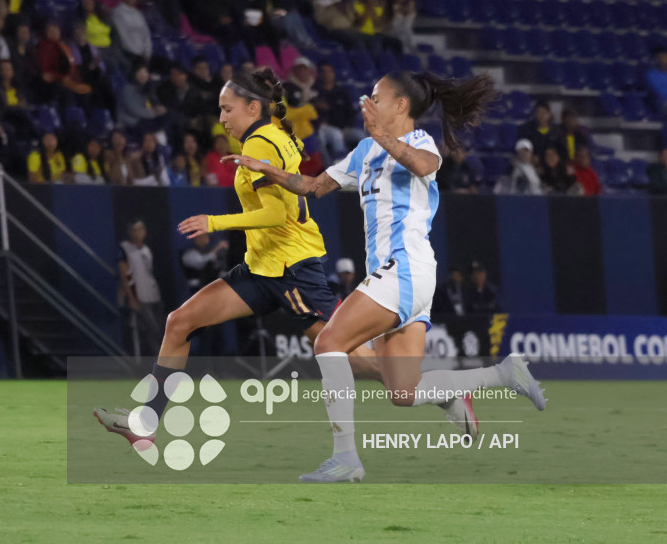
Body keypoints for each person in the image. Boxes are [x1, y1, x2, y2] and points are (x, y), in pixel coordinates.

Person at [224, 70, 546, 482]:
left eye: (376, 96)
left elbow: (426, 165)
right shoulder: (364, 151)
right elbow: (312, 186)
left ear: (400, 105)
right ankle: (502, 374)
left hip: (406, 266)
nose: (369, 102)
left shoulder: (419, 142)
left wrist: (381, 135)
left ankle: (346, 459)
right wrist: (267, 169)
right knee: (402, 392)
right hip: (400, 276)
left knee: (329, 342)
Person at [95, 67, 404, 447]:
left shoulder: (259, 143)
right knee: (179, 322)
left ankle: (440, 392)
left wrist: (214, 222)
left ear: (253, 107)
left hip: (291, 270)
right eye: (220, 109)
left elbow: (274, 214)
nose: (221, 118)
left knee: (354, 360)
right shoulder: (272, 135)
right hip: (262, 268)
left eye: (227, 109)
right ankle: (146, 424)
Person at [117, 220, 165, 357]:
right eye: (135, 230)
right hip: (139, 297)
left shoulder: (147, 249)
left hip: (153, 295)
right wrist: (131, 297)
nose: (138, 233)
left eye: (141, 229)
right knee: (152, 330)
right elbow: (125, 274)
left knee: (160, 330)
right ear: (130, 232)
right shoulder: (124, 248)